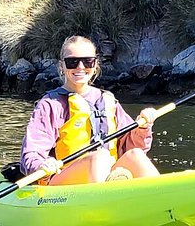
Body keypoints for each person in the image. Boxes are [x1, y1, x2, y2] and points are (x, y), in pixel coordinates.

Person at [21, 36, 161, 184]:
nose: (80, 67)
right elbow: (32, 152)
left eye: (87, 61)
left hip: (105, 176)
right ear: (62, 66)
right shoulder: (51, 104)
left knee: (136, 155)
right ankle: (104, 200)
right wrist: (42, 165)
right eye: (72, 62)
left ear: (95, 65)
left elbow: (130, 146)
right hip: (63, 183)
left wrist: (143, 128)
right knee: (98, 157)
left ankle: (165, 197)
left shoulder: (108, 100)